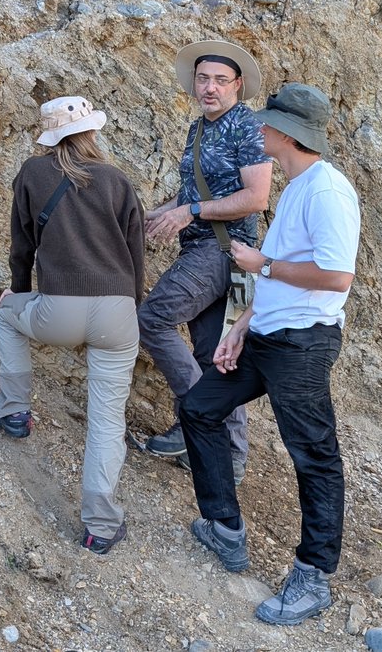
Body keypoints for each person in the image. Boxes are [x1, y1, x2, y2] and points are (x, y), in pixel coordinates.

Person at [178, 83, 361, 626]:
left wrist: (262, 265)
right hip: (268, 335)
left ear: (286, 134)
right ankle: (225, 527)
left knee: (313, 455)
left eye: (267, 124)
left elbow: (336, 276)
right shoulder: (299, 186)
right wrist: (239, 327)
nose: (258, 129)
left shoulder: (327, 191)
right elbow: (278, 274)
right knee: (199, 408)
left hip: (303, 343)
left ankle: (313, 576)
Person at [0, 96, 145, 555]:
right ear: (92, 131)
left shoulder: (33, 174)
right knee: (107, 421)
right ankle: (101, 527)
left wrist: (16, 289)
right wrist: (132, 304)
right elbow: (135, 252)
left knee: (8, 318)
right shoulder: (116, 180)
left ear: (49, 137)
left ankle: (13, 411)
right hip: (117, 312)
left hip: (58, 309)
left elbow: (22, 243)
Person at [138, 40, 273, 483]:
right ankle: (228, 461)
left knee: (152, 319)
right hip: (209, 251)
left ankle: (195, 418)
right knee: (218, 357)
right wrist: (163, 211)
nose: (209, 87)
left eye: (219, 80)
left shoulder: (246, 128)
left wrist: (189, 213)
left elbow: (255, 198)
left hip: (225, 252)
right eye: (202, 78)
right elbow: (196, 191)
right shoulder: (199, 128)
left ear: (237, 85)